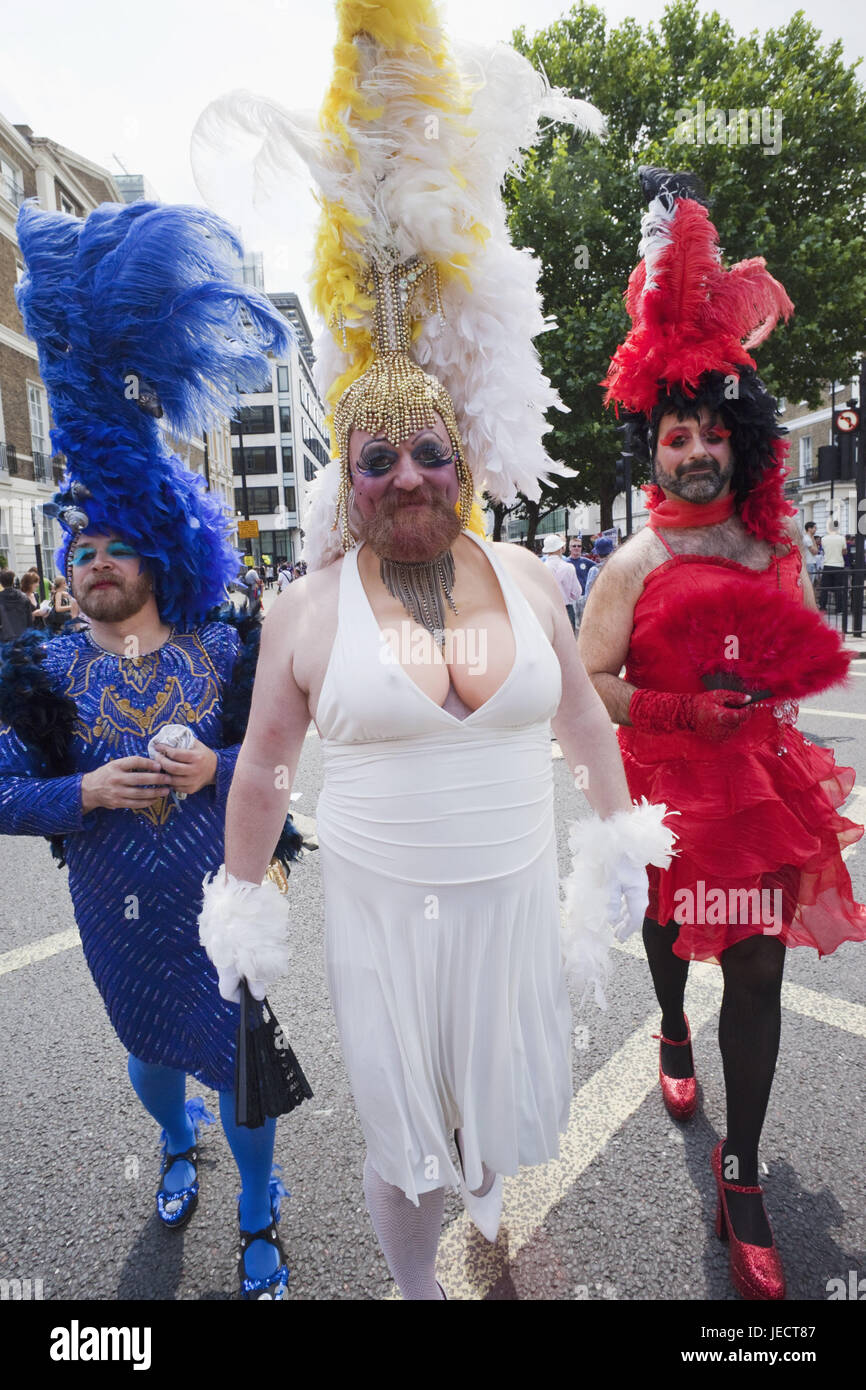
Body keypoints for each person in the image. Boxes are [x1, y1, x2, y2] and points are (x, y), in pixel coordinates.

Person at [195, 0, 670, 1302]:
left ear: (463, 462)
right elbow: (260, 771)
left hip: (510, 892)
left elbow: (578, 716)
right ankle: (415, 1289)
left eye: (428, 450)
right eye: (376, 455)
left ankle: (490, 1191)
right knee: (410, 1143)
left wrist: (618, 842)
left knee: (502, 1114)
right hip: (385, 918)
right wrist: (239, 904)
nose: (405, 471)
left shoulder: (523, 572)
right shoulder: (305, 607)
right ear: (344, 478)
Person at [0, 197, 299, 1301]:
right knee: (148, 1058)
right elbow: (1, 791)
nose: (95, 561)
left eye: (119, 543)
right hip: (112, 912)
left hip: (222, 898)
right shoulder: (39, 671)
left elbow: (281, 775)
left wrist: (219, 769)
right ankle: (174, 1146)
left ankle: (260, 1214)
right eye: (81, 546)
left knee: (242, 1067)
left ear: (163, 547)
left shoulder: (232, 648)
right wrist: (79, 787)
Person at [580, 166, 866, 1301]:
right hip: (661, 786)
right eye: (674, 433)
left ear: (734, 440)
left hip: (753, 787)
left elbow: (794, 647)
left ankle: (737, 1178)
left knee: (752, 966)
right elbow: (590, 683)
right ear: (650, 450)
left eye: (709, 431)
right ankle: (663, 1025)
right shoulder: (629, 563)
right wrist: (677, 708)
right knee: (670, 939)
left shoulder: (771, 543)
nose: (692, 447)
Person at [541, 533, 581, 631]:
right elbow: (576, 594)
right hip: (566, 610)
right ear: (560, 548)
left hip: (547, 610)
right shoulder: (569, 567)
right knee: (568, 643)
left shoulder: (541, 568)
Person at [819, 521, 847, 616]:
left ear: (829, 528)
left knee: (824, 588)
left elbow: (824, 550)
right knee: (839, 589)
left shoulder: (824, 539)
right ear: (837, 528)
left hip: (827, 565)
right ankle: (839, 610)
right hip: (839, 565)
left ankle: (823, 608)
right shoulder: (842, 538)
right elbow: (844, 551)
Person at [0, 569, 33, 642]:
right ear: (13, 581)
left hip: (6, 639)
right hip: (23, 637)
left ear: (1, 583)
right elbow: (29, 621)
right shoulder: (23, 597)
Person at [582, 536, 614, 603]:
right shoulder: (619, 567)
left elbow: (588, 594)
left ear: (597, 554)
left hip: (599, 606)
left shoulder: (594, 570)